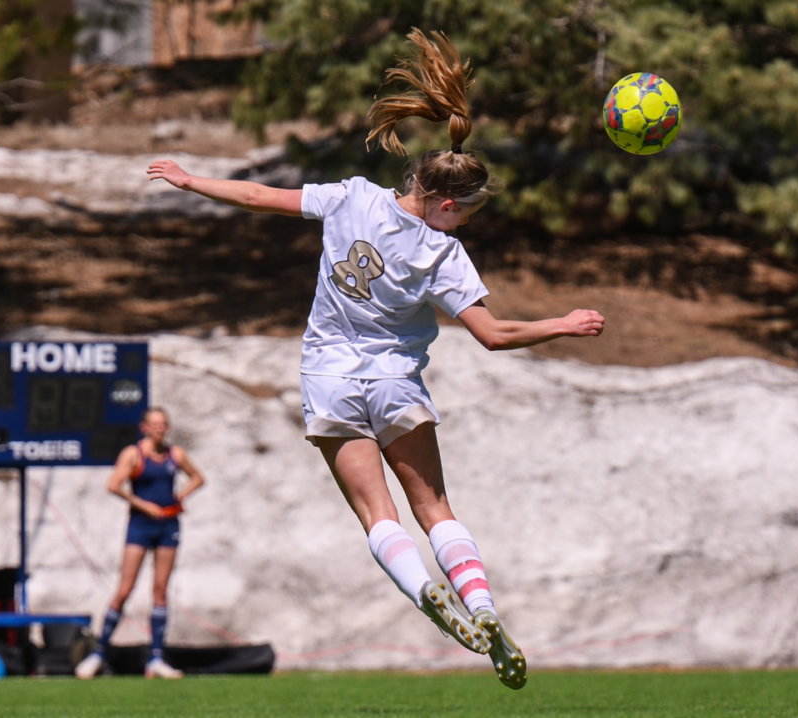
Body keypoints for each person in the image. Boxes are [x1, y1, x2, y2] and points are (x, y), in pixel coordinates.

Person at [145, 29, 604, 690]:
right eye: (467, 213)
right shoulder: (445, 255)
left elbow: (259, 197)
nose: (467, 223)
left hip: (330, 383)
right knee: (436, 510)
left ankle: (424, 594)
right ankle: (481, 606)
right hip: (394, 385)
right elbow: (494, 336)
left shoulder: (351, 196)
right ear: (446, 206)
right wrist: (561, 323)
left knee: (376, 517)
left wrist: (189, 179)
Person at [75, 407, 206, 679]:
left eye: (164, 424)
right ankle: (99, 653)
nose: (160, 429)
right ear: (144, 427)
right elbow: (113, 485)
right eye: (155, 425)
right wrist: (142, 504)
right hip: (140, 525)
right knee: (125, 588)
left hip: (168, 524)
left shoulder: (175, 454)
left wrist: (180, 497)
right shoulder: (133, 454)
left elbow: (198, 478)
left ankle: (156, 658)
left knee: (160, 589)